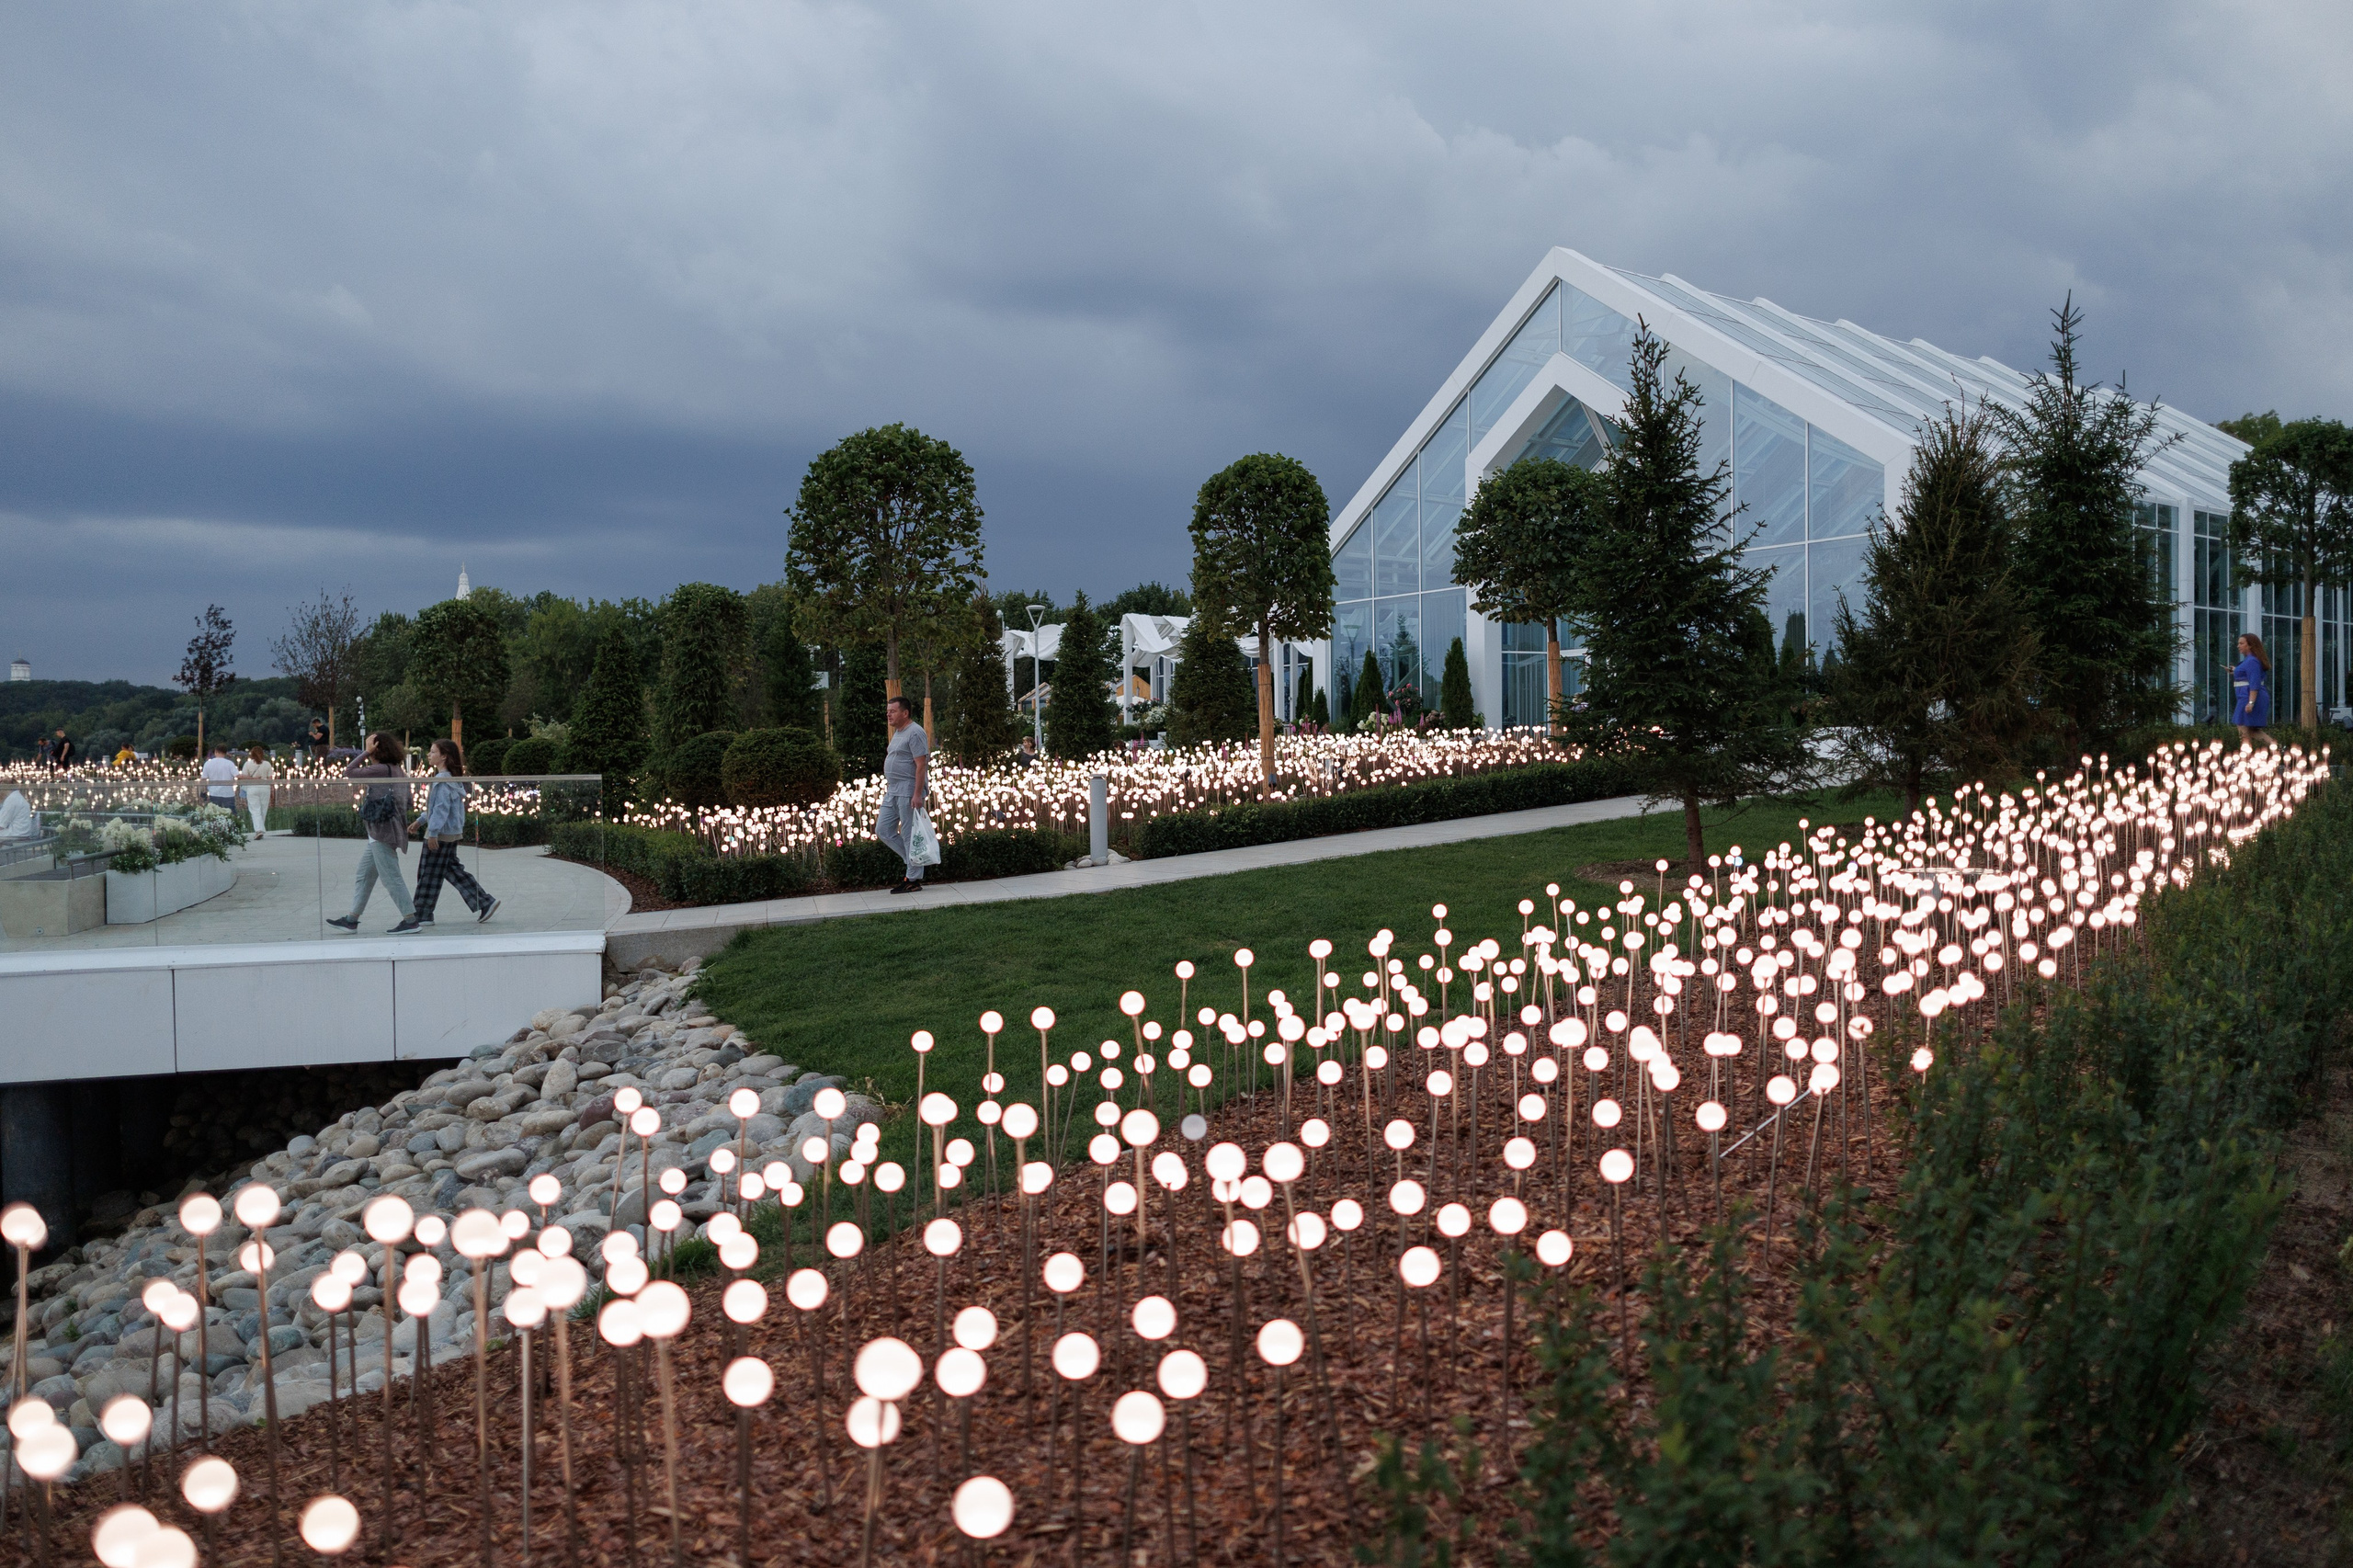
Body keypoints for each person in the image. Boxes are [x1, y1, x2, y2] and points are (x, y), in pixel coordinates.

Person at [328, 732, 420, 934]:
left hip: (382, 832)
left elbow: (349, 771)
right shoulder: (398, 770)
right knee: (364, 875)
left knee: (391, 877)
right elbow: (410, 801)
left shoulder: (380, 769)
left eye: (369, 745)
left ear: (377, 748)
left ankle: (411, 920)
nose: (366, 748)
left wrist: (365, 753)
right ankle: (351, 919)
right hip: (385, 832)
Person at [407, 738, 498, 926]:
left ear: (444, 756)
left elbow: (440, 809)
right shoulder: (452, 780)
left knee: (428, 874)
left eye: (433, 752)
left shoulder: (442, 781)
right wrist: (420, 821)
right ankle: (485, 902)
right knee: (452, 870)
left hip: (440, 834)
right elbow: (438, 808)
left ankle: (423, 914)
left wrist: (432, 833)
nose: (429, 755)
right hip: (450, 832)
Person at [876, 694, 933, 893]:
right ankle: (913, 862)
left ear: (905, 713)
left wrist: (917, 794)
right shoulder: (899, 732)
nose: (888, 714)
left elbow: (921, 765)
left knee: (909, 835)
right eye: (888, 711)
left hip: (908, 790)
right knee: (883, 830)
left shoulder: (915, 732)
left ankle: (913, 879)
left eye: (893, 711)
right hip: (893, 790)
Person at [2233, 632, 2276, 746]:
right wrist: (2235, 670)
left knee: (2242, 727)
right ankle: (2277, 749)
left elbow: (2254, 683)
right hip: (2246, 697)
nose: (2238, 646)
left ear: (2250, 645)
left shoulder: (2252, 661)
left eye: (2241, 643)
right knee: (2250, 730)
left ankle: (2245, 757)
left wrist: (2251, 703)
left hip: (2249, 697)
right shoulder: (2250, 660)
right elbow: (2247, 675)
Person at [238, 744, 276, 836]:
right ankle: (260, 830)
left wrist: (253, 779)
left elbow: (243, 777)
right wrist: (272, 791)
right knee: (263, 810)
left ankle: (259, 830)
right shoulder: (267, 764)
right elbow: (270, 779)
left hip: (252, 788)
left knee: (255, 810)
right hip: (265, 788)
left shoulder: (248, 764)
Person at [199, 743, 239, 812]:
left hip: (214, 792)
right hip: (228, 793)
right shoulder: (230, 763)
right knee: (231, 814)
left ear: (215, 752)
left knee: (215, 814)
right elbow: (237, 775)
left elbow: (204, 778)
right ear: (225, 753)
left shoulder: (208, 763)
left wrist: (203, 791)